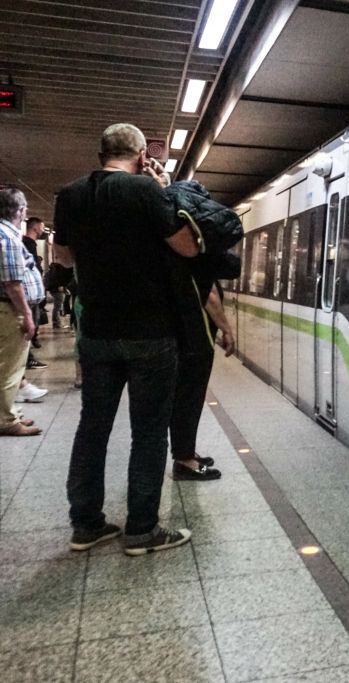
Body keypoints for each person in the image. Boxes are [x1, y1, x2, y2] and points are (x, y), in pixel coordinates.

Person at [54, 123, 199, 555]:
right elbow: (188, 247)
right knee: (149, 432)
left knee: (92, 427)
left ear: (101, 154)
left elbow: (64, 258)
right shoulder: (147, 190)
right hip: (150, 331)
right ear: (141, 156)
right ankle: (141, 530)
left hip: (97, 330)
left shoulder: (70, 194)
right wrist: (165, 191)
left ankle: (86, 525)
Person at [169, 276, 235, 481]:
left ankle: (186, 453)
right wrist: (226, 329)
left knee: (187, 397)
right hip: (194, 341)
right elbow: (210, 296)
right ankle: (185, 461)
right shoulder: (195, 262)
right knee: (189, 399)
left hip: (188, 339)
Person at [0, 187, 45, 436]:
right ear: (19, 211)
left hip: (8, 307)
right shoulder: (6, 237)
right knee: (10, 367)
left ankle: (10, 412)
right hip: (9, 309)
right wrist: (27, 315)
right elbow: (13, 284)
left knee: (8, 365)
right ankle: (6, 419)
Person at [22, 216, 48, 367]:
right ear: (35, 227)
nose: (43, 231)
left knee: (34, 322)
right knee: (31, 323)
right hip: (29, 293)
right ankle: (27, 359)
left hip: (31, 293)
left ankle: (27, 357)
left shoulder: (29, 243)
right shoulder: (27, 244)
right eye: (42, 227)